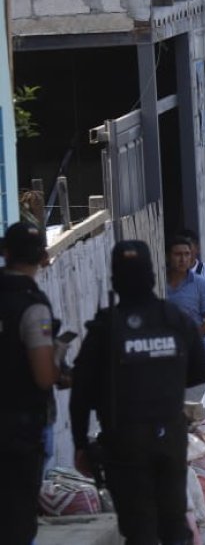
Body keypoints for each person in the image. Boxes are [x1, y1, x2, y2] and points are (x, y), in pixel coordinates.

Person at [71, 240, 205, 545]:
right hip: (169, 437)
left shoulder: (106, 328)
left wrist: (81, 444)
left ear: (115, 279)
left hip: (125, 440)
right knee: (175, 522)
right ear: (151, 275)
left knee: (140, 529)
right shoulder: (175, 319)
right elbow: (202, 371)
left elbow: (80, 391)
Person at [0, 223, 59, 545]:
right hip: (22, 429)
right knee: (20, 520)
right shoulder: (33, 306)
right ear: (44, 257)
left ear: (5, 253)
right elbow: (43, 376)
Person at [165, 235, 205, 348]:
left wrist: (190, 337)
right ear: (167, 256)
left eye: (187, 254)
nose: (183, 259)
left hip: (193, 348)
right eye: (178, 254)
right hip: (163, 347)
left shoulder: (201, 284)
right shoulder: (158, 282)